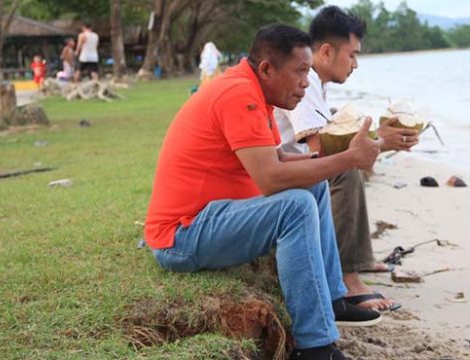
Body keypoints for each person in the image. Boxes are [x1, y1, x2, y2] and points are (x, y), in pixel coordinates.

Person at [144, 24, 384, 360]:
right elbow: (271, 179)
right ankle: (315, 347)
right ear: (267, 69)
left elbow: (280, 158)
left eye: (308, 72)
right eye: (300, 71)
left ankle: (331, 298)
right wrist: (348, 158)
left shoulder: (253, 90)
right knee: (296, 205)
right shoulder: (239, 95)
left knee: (311, 185)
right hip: (182, 235)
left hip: (211, 216)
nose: (305, 82)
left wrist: (343, 156)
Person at [274, 6, 420, 312]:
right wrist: (379, 143)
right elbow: (323, 152)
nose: (356, 64)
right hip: (281, 176)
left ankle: (358, 261)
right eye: (352, 55)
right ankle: (347, 278)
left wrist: (381, 140)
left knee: (351, 166)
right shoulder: (308, 80)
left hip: (287, 167)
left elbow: (330, 143)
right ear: (326, 51)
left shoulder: (316, 82)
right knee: (347, 171)